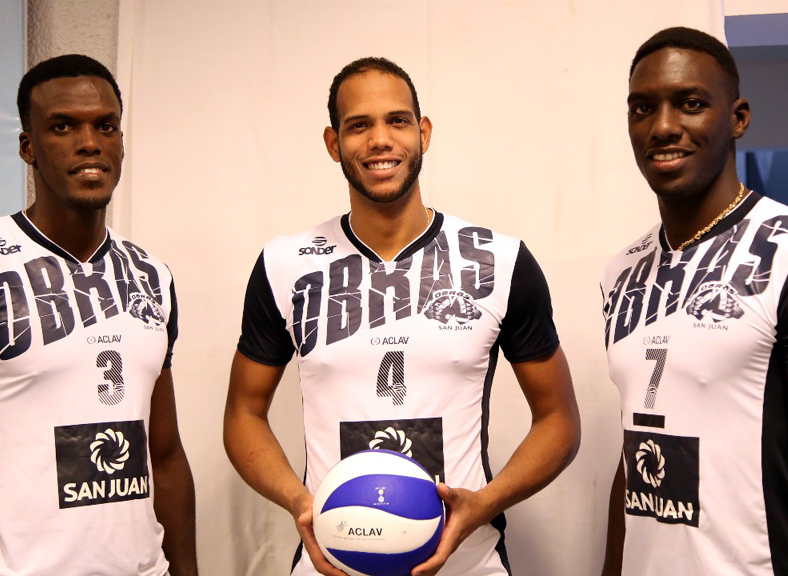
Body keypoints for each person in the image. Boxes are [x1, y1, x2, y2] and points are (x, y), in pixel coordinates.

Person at [224, 56, 580, 576]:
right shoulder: (285, 264)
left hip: (469, 565)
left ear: (423, 132)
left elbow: (559, 420)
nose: (380, 140)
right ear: (333, 143)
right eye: (358, 126)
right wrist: (300, 502)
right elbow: (243, 414)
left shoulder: (500, 261)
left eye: (397, 121)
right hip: (332, 562)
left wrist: (485, 503)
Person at [0, 54, 197, 576]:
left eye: (106, 126)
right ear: (27, 147)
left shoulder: (153, 275)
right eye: (62, 126)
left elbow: (164, 457)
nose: (89, 142)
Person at [600, 27, 788, 576]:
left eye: (690, 103)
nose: (662, 126)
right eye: (642, 108)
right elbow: (637, 453)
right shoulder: (622, 271)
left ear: (738, 118)